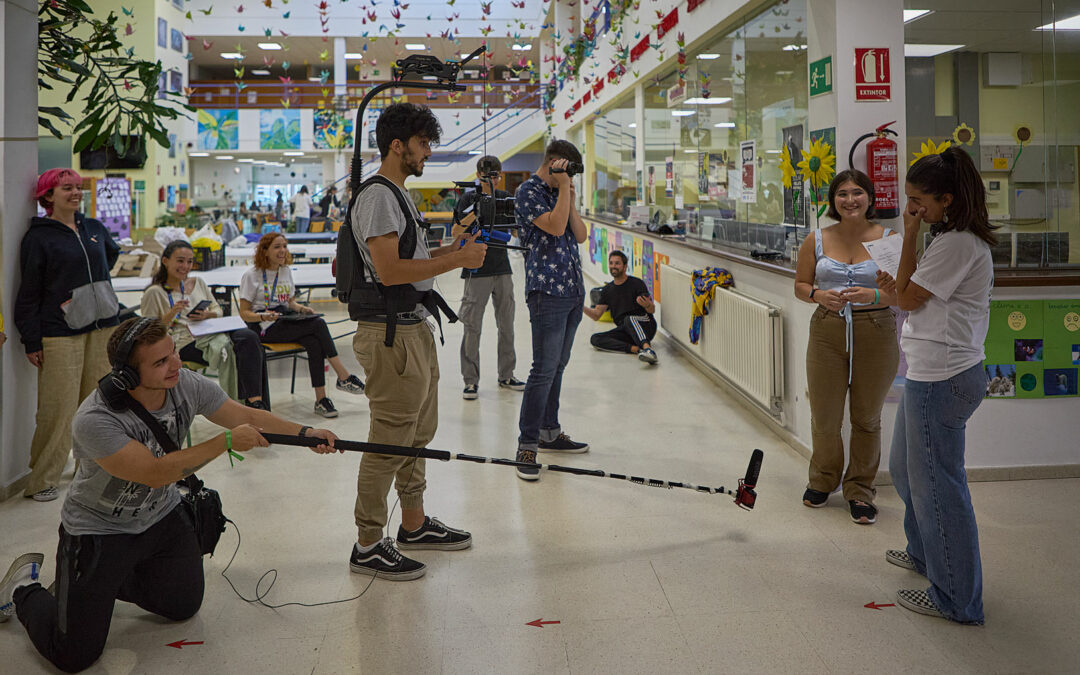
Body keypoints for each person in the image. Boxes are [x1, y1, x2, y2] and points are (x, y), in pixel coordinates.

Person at [0, 317, 338, 673]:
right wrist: (224, 442)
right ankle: (24, 588)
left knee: (182, 606)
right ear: (128, 375)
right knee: (73, 656)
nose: (176, 364)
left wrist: (306, 432)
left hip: (162, 516)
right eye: (160, 362)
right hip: (100, 530)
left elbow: (244, 414)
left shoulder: (184, 383)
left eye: (173, 353)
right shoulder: (95, 419)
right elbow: (157, 472)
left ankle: (97, 587)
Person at [348, 102, 486, 580]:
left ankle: (413, 523)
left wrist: (455, 248)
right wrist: (458, 262)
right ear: (397, 145)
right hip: (390, 337)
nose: (429, 152)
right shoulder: (380, 196)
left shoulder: (399, 194)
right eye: (424, 143)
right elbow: (388, 271)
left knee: (416, 435)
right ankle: (368, 543)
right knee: (388, 441)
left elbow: (414, 259)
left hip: (413, 328)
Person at [876, 146, 995, 624]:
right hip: (928, 373)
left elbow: (907, 295)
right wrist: (897, 286)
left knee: (940, 491)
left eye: (919, 201)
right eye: (908, 201)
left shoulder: (958, 243)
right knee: (906, 472)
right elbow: (907, 297)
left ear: (948, 198)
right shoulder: (946, 237)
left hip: (944, 379)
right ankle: (926, 554)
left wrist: (907, 235)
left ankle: (957, 599)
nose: (912, 209)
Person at [793, 169, 900, 525]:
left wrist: (872, 294)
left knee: (867, 417)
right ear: (833, 200)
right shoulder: (816, 239)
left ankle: (860, 489)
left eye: (857, 193)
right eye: (842, 194)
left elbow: (902, 292)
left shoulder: (888, 239)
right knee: (825, 415)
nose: (850, 200)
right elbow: (801, 285)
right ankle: (823, 479)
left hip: (877, 329)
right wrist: (819, 295)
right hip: (827, 329)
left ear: (869, 198)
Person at [14, 168, 121, 502]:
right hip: (60, 333)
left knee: (97, 406)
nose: (75, 193)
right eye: (67, 189)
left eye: (78, 188)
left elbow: (111, 254)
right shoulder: (39, 237)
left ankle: (89, 472)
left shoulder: (94, 228)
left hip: (102, 327)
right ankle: (43, 479)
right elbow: (29, 291)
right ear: (48, 195)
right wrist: (31, 339)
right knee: (58, 410)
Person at [513, 139, 590, 482]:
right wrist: (561, 191)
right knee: (542, 370)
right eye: (568, 169)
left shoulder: (562, 193)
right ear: (556, 162)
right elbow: (556, 228)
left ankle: (549, 430)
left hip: (572, 291)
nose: (570, 177)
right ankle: (527, 444)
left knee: (558, 366)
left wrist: (568, 194)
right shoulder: (527, 192)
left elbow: (580, 233)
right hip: (547, 291)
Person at [237, 233, 364, 417]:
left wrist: (303, 309)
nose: (282, 251)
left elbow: (289, 303)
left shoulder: (285, 271)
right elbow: (244, 313)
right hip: (263, 328)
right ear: (264, 251)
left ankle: (321, 400)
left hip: (284, 320)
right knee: (318, 325)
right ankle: (343, 376)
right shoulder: (252, 275)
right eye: (277, 247)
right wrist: (264, 317)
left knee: (313, 341)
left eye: (284, 246)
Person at [141, 240, 268, 408]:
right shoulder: (155, 292)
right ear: (165, 261)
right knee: (229, 349)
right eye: (180, 261)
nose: (185, 266)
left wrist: (207, 314)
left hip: (209, 330)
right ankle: (242, 406)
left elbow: (218, 309)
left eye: (189, 261)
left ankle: (255, 402)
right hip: (184, 341)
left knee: (249, 337)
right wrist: (172, 314)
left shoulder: (198, 282)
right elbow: (149, 331)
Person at [452, 155, 525, 400]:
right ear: (478, 174)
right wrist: (476, 210)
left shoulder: (505, 197)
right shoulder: (468, 198)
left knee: (507, 326)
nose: (491, 179)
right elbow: (455, 231)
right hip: (476, 270)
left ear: (500, 175)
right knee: (472, 328)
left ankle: (507, 374)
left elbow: (516, 229)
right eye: (486, 175)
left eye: (495, 175)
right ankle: (470, 381)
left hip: (502, 268)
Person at [584, 249, 659, 364]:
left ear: (625, 266)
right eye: (611, 263)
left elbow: (651, 310)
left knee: (629, 319)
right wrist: (580, 306)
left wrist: (647, 304)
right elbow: (596, 315)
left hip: (645, 324)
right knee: (595, 339)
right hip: (626, 329)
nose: (613, 266)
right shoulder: (607, 290)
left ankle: (648, 349)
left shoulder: (636, 283)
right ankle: (637, 350)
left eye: (617, 263)